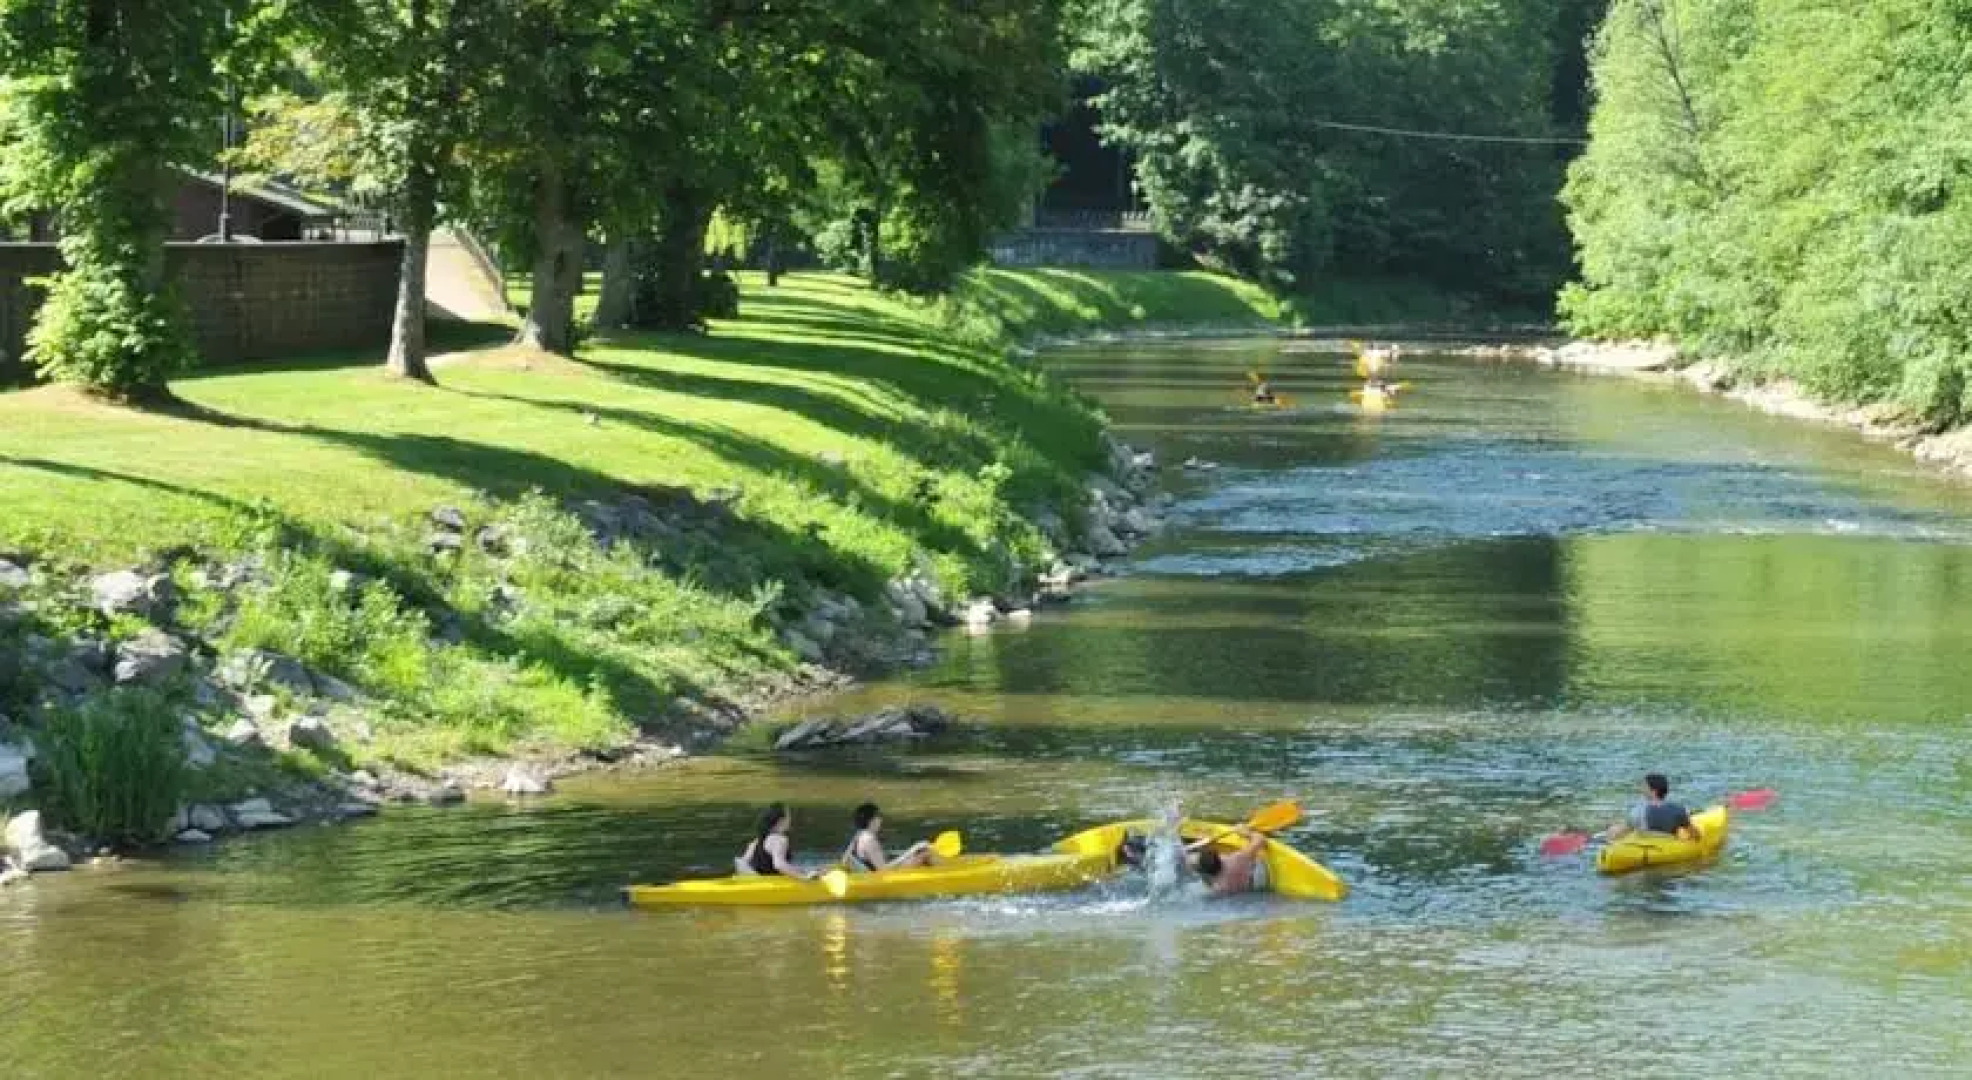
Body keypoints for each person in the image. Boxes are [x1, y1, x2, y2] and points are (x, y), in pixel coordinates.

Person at [841, 802, 933, 872]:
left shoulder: (859, 835)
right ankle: (944, 874)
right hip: (883, 874)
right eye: (878, 816)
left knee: (917, 852)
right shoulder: (870, 840)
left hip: (871, 870)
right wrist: (912, 850)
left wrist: (860, 869)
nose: (880, 819)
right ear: (871, 821)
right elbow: (884, 870)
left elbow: (844, 860)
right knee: (925, 853)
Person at [737, 802, 816, 879]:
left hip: (756, 882)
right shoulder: (780, 840)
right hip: (773, 885)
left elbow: (743, 863)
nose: (790, 819)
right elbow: (779, 865)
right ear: (781, 820)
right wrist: (804, 877)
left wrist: (803, 871)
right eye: (788, 816)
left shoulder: (756, 841)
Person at [1608, 773, 1696, 840]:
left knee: (1614, 828)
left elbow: (1619, 834)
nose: (1641, 789)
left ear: (1654, 791)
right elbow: (1694, 834)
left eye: (1644, 786)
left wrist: (1611, 833)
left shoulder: (1638, 811)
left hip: (1645, 845)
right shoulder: (1678, 810)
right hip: (1668, 845)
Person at [1187, 826, 1270, 897]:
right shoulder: (1237, 860)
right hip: (1255, 882)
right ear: (1218, 857)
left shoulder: (1217, 889)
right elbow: (1260, 839)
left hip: (1241, 894)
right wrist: (1245, 833)